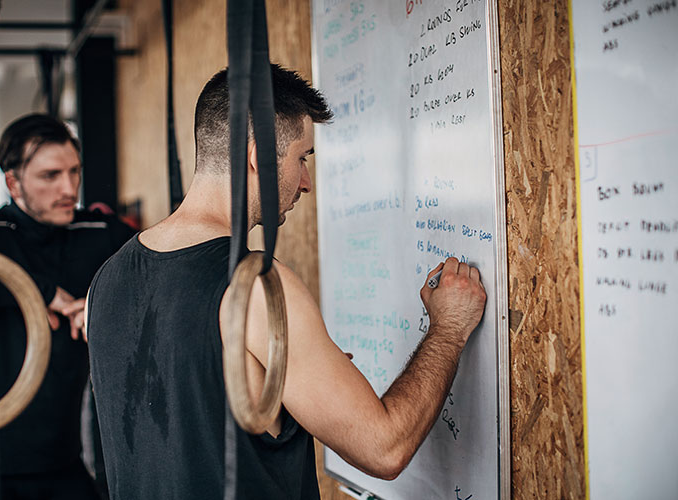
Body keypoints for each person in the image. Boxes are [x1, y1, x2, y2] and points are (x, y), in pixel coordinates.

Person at [86, 65, 486, 499]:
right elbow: (383, 448)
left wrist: (295, 376)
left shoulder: (106, 280)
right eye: (302, 158)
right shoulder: (257, 286)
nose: (307, 182)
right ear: (257, 157)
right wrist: (448, 330)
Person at [0, 114, 136, 499]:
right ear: (13, 182)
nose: (69, 188)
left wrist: (101, 305)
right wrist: (37, 291)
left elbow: (158, 273)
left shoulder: (95, 233)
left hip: (59, 463)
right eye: (50, 176)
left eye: (74, 172)